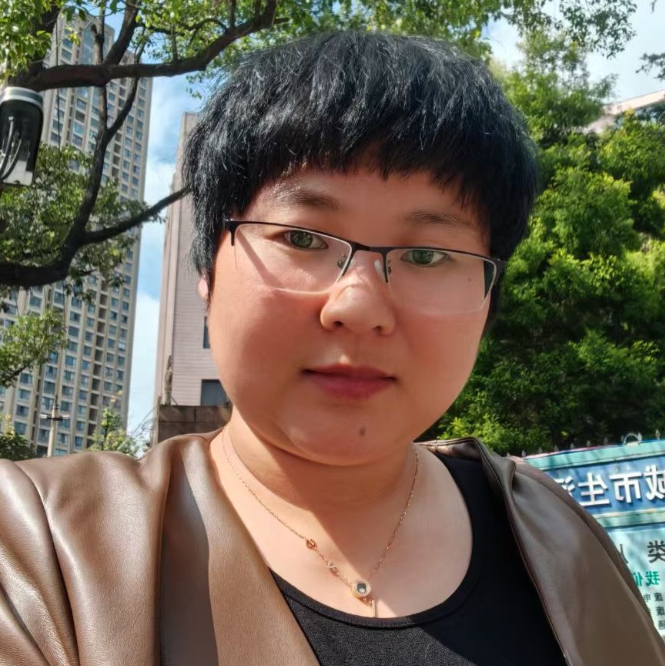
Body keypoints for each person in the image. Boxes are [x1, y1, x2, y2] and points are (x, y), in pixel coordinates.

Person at [0, 32, 663, 666]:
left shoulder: (557, 536)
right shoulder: (42, 545)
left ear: (489, 295)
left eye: (426, 254)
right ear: (207, 271)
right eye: (303, 239)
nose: (358, 308)